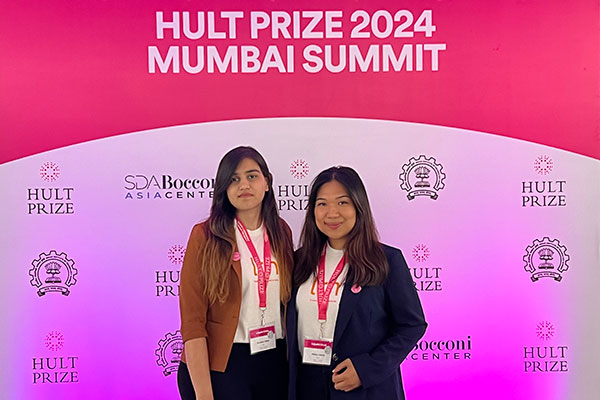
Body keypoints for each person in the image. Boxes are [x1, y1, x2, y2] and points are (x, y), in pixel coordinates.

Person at [287, 166, 427, 400]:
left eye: (342, 202)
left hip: (364, 389)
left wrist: (367, 369)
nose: (332, 213)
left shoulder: (386, 261)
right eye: (322, 204)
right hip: (307, 386)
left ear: (359, 206)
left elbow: (412, 325)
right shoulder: (298, 261)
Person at [178, 146, 294, 400]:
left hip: (274, 359)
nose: (244, 185)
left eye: (252, 176)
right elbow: (193, 322)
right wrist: (204, 393)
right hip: (223, 363)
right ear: (223, 188)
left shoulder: (282, 232)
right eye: (234, 179)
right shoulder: (205, 236)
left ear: (267, 183)